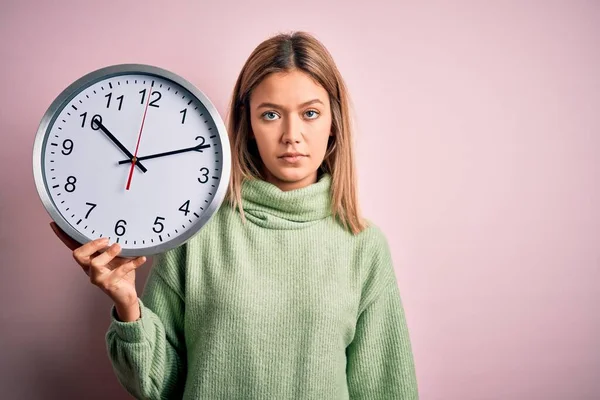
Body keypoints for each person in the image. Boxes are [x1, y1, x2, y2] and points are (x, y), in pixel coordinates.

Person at [50, 31, 419, 399]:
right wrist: (127, 303)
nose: (292, 135)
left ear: (333, 122)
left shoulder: (363, 246)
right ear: (249, 126)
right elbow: (157, 387)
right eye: (271, 114)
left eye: (310, 113)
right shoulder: (196, 232)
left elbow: (386, 389)